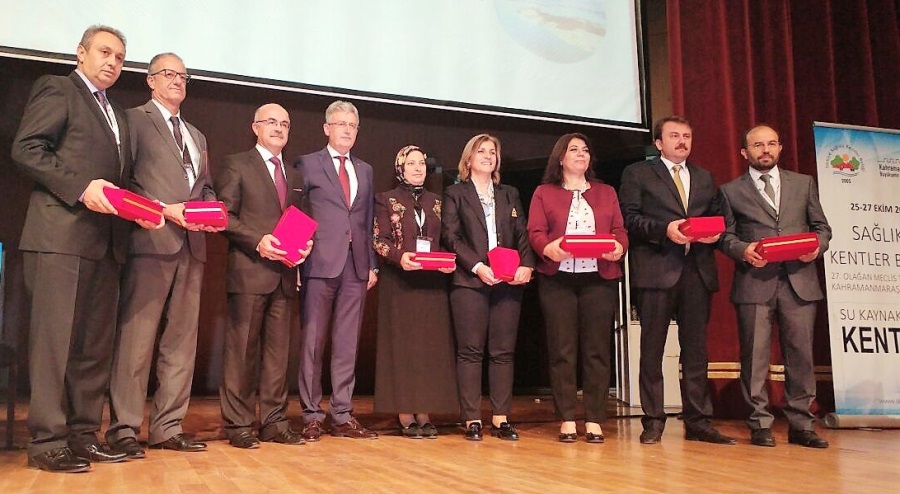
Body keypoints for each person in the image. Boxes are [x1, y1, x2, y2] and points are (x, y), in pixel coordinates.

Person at [10, 25, 155, 473]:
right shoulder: (59, 89)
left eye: (119, 57)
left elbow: (117, 182)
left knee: (92, 349)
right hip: (60, 239)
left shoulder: (117, 113)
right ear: (81, 53)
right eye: (104, 52)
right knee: (54, 346)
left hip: (106, 245)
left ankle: (83, 434)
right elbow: (27, 149)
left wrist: (144, 210)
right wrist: (80, 187)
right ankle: (46, 441)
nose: (112, 62)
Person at [106, 53, 220, 459]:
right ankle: (123, 429)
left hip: (192, 246)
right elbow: (125, 180)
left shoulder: (197, 134)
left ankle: (167, 427)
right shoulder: (133, 121)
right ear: (150, 81)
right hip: (151, 242)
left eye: (183, 76)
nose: (177, 81)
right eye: (169, 74)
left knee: (181, 343)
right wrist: (162, 209)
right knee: (136, 341)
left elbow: (204, 188)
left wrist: (211, 212)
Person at [619, 116, 736, 445]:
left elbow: (720, 218)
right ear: (659, 143)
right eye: (674, 136)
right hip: (656, 270)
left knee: (696, 351)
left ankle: (698, 421)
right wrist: (664, 230)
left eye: (687, 136)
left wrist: (715, 233)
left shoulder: (704, 176)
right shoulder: (638, 173)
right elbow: (629, 218)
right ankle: (653, 421)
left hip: (697, 271)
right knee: (652, 350)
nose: (682, 141)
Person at [719, 125, 832, 449]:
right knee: (754, 357)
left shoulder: (803, 183)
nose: (765, 150)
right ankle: (759, 424)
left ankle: (802, 425)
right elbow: (725, 237)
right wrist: (744, 250)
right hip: (755, 283)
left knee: (801, 356)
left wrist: (817, 247)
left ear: (780, 148)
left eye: (771, 143)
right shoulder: (730, 191)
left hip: (800, 282)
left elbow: (822, 228)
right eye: (758, 145)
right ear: (745, 153)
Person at [215, 103, 311, 449]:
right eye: (271, 122)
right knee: (241, 353)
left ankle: (274, 422)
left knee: (278, 355)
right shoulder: (237, 164)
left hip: (284, 275)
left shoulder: (295, 174)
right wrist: (258, 241)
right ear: (255, 127)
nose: (279, 128)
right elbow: (224, 216)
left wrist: (305, 246)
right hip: (249, 272)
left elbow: (301, 219)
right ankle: (239, 424)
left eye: (285, 123)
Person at [527, 133, 627, 444]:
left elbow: (619, 230)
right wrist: (548, 248)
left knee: (597, 351)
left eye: (585, 150)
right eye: (574, 150)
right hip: (558, 279)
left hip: (598, 278)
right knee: (562, 350)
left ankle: (595, 419)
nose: (581, 154)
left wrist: (619, 247)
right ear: (561, 158)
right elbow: (536, 231)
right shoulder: (544, 192)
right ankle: (567, 418)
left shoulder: (606, 191)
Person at [441, 133, 536, 441]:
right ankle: (471, 418)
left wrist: (526, 264)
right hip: (470, 281)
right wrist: (478, 267)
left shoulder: (509, 193)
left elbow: (522, 233)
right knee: (470, 351)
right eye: (481, 151)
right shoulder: (455, 193)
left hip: (508, 281)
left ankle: (501, 418)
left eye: (492, 152)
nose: (487, 156)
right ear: (469, 159)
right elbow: (451, 237)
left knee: (503, 352)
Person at [295, 100, 378, 440]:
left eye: (352, 125)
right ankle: (311, 414)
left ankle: (342, 414)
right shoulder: (307, 164)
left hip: (356, 266)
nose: (347, 130)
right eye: (340, 124)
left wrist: (371, 264)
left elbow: (367, 220)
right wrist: (295, 259)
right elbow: (297, 211)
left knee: (347, 343)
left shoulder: (366, 170)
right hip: (318, 263)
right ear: (326, 128)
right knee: (313, 342)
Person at [372, 145, 459, 439]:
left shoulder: (438, 201)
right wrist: (400, 257)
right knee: (403, 348)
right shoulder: (386, 199)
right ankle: (405, 413)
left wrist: (448, 261)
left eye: (421, 163)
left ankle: (425, 411)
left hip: (432, 283)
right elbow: (379, 240)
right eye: (411, 163)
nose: (418, 168)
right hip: (400, 282)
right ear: (400, 168)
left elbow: (446, 240)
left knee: (428, 349)